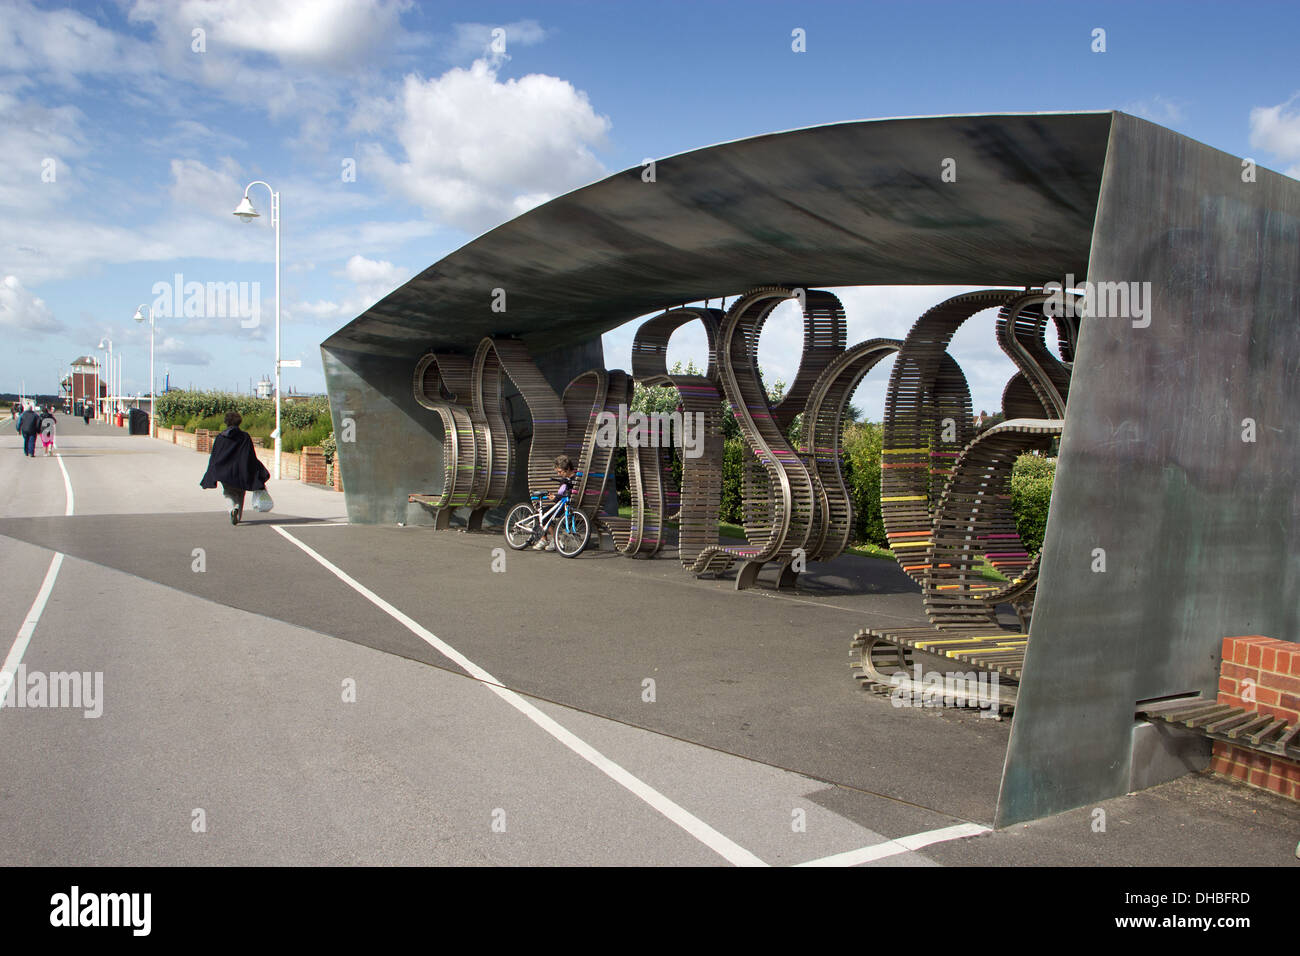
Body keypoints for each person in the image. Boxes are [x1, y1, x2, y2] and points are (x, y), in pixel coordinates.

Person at [199, 410, 270, 525]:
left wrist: (211, 471)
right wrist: (258, 472)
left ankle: (233, 508)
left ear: (226, 422)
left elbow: (215, 456)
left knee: (228, 492)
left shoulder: (221, 437)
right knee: (241, 493)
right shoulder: (245, 437)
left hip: (225, 472)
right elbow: (250, 456)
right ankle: (239, 515)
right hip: (241, 471)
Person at [532, 454, 578, 551]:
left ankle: (552, 540)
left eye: (560, 472)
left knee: (542, 512)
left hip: (568, 506)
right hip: (564, 504)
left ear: (568, 468)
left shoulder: (574, 480)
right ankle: (546, 539)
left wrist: (555, 498)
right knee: (542, 511)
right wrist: (555, 497)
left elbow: (569, 495)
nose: (558, 474)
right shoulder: (568, 479)